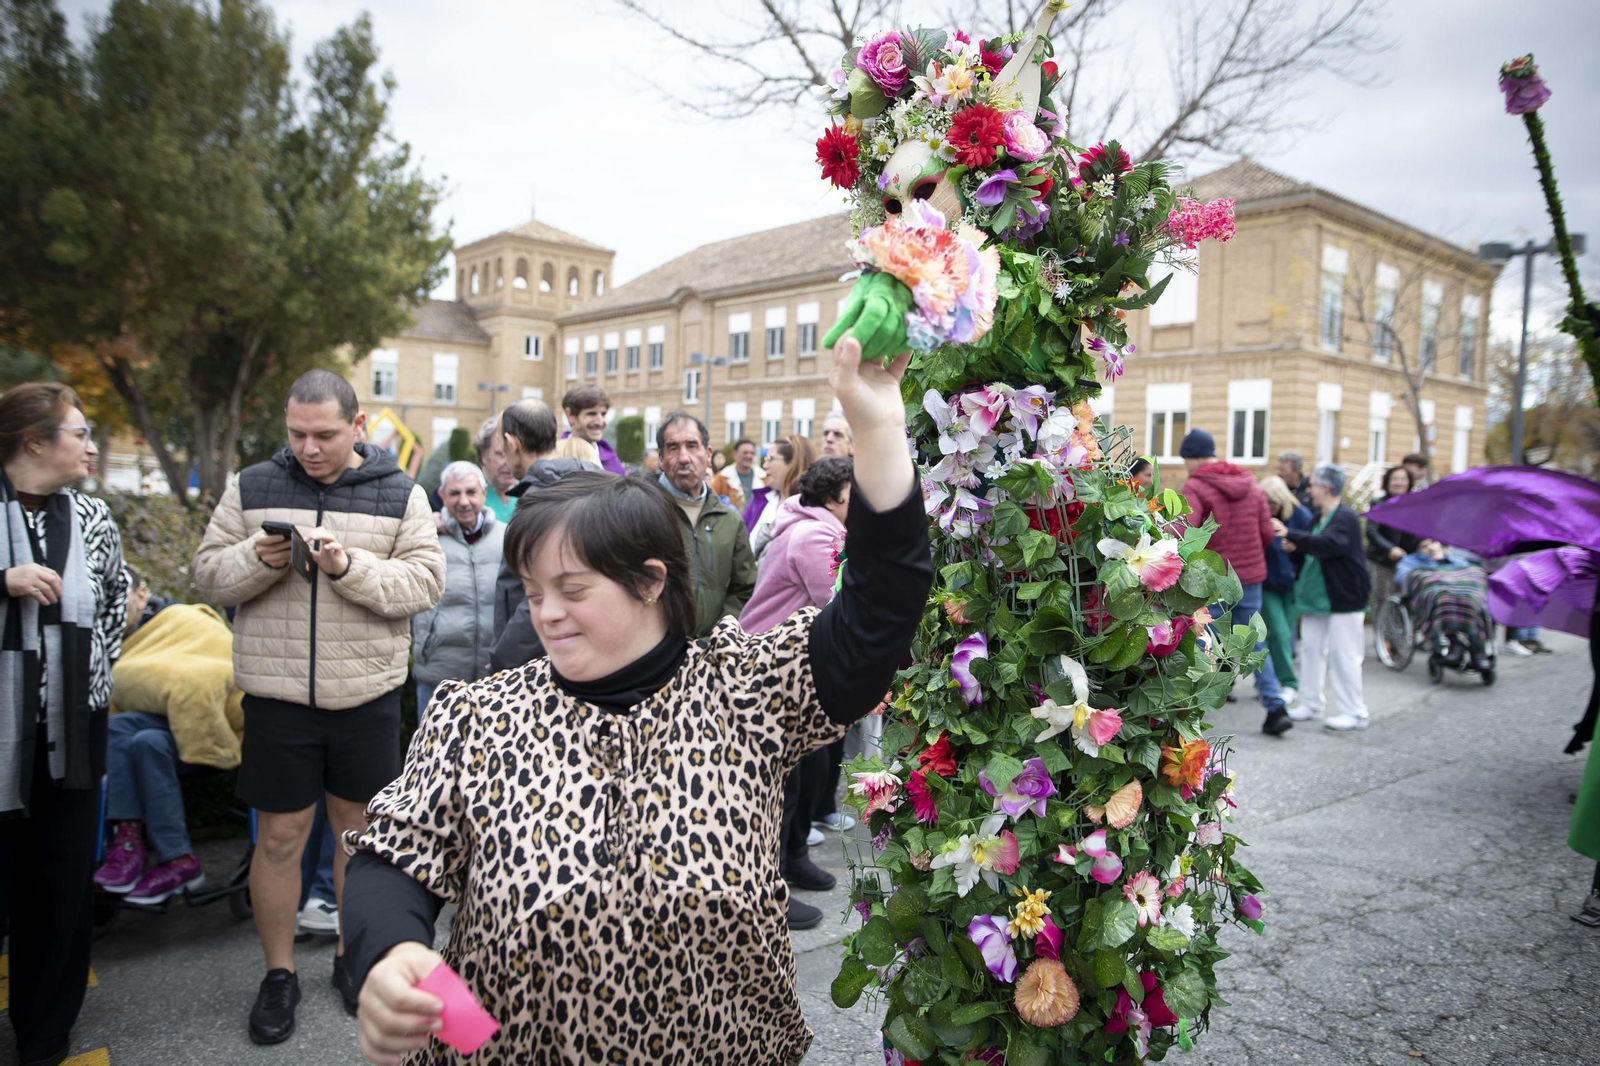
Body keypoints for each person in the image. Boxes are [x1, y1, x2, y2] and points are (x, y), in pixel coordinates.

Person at [342, 336, 931, 1066]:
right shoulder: (478, 718)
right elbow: (393, 860)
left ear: (651, 581)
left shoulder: (748, 690)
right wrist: (392, 954)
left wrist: (877, 429)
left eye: (573, 589)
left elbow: (881, 607)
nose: (545, 614)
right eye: (532, 592)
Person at [192, 369, 446, 1042]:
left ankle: (348, 957)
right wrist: (258, 555)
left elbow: (424, 583)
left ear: (358, 428)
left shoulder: (401, 492)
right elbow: (209, 573)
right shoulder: (251, 486)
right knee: (278, 840)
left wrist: (345, 567)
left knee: (356, 839)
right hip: (277, 699)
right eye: (297, 434)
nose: (308, 447)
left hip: (366, 695)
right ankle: (279, 974)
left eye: (325, 434)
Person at [0, 382, 128, 1066]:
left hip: (72, 732)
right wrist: (4, 580)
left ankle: (45, 1033)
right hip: (0, 731)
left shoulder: (92, 516)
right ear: (33, 442)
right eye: (77, 432)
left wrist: (90, 675)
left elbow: (113, 602)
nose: (88, 444)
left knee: (59, 884)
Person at [740, 457, 854, 929]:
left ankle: (795, 856)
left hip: (799, 670)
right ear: (832, 497)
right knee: (785, 781)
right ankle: (772, 885)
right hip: (772, 671)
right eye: (853, 494)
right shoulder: (814, 536)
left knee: (814, 767)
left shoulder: (820, 529)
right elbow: (837, 600)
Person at [94, 577, 244, 907]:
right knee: (126, 730)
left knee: (144, 739)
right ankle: (133, 841)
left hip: (213, 728)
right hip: (158, 731)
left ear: (143, 593)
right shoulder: (114, 641)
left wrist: (141, 677)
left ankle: (172, 857)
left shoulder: (187, 620)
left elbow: (218, 671)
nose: (115, 610)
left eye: (122, 598)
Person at [1179, 429, 1292, 736]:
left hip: (1215, 579)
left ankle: (1191, 715)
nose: (1186, 466)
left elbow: (1185, 532)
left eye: (1186, 459)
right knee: (1254, 640)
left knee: (1205, 641)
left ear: (1195, 457)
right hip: (1251, 576)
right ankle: (1275, 706)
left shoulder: (1196, 485)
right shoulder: (1251, 484)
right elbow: (1267, 532)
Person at [487, 399, 602, 673]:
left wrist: (503, 660)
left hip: (541, 665)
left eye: (503, 447)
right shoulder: (596, 485)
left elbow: (539, 597)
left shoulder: (536, 505)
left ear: (511, 443)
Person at [1276, 465, 1372, 731]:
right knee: (1311, 650)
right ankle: (1311, 703)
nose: (1309, 489)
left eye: (1313, 485)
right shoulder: (1318, 517)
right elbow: (1309, 549)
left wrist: (1290, 534)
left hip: (1344, 597)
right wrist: (1293, 547)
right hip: (1317, 597)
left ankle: (1354, 712)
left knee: (1345, 655)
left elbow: (1330, 545)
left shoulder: (1345, 517)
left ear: (1326, 488)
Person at [412, 462, 506, 712]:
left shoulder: (506, 538)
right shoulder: (425, 537)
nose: (463, 501)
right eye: (455, 493)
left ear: (484, 493)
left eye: (471, 492)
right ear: (442, 496)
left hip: (494, 675)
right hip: (439, 675)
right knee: (436, 750)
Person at [656, 413, 758, 637]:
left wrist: (718, 635)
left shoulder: (729, 520)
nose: (684, 458)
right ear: (661, 458)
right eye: (673, 448)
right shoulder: (642, 511)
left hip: (712, 654)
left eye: (692, 446)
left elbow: (744, 589)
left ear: (708, 454)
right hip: (654, 654)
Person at [1259, 475, 1312, 705]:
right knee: (1278, 633)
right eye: (1267, 502)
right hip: (1267, 584)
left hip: (1293, 584)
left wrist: (1295, 546)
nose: (1270, 507)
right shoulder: (1259, 516)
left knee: (1285, 635)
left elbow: (1312, 548)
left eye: (1274, 502)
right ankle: (1289, 683)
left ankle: (1267, 679)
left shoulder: (1301, 516)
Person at [745, 435, 814, 561]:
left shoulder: (811, 508)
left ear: (793, 462)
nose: (765, 465)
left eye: (770, 458)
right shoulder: (759, 500)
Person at [1366, 465, 1421, 612]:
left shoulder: (1415, 504)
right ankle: (1383, 634)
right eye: (1395, 479)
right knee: (1382, 598)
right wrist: (1390, 548)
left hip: (1408, 560)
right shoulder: (1378, 503)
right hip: (1381, 559)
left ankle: (1400, 634)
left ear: (1409, 482)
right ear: (1387, 482)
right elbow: (1372, 531)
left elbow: (1420, 530)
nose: (1399, 483)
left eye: (1403, 479)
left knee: (1404, 598)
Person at [559, 384, 626, 475]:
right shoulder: (555, 457)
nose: (600, 422)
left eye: (603, 414)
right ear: (570, 415)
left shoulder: (612, 461)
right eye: (591, 414)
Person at [473, 416, 517, 523]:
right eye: (501, 454)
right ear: (483, 454)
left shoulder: (530, 493)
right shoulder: (464, 494)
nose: (510, 463)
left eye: (516, 453)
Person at [710, 438, 765, 512]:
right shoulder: (722, 477)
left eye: (752, 453)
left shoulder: (763, 477)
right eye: (745, 453)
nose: (749, 456)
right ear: (734, 454)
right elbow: (711, 500)